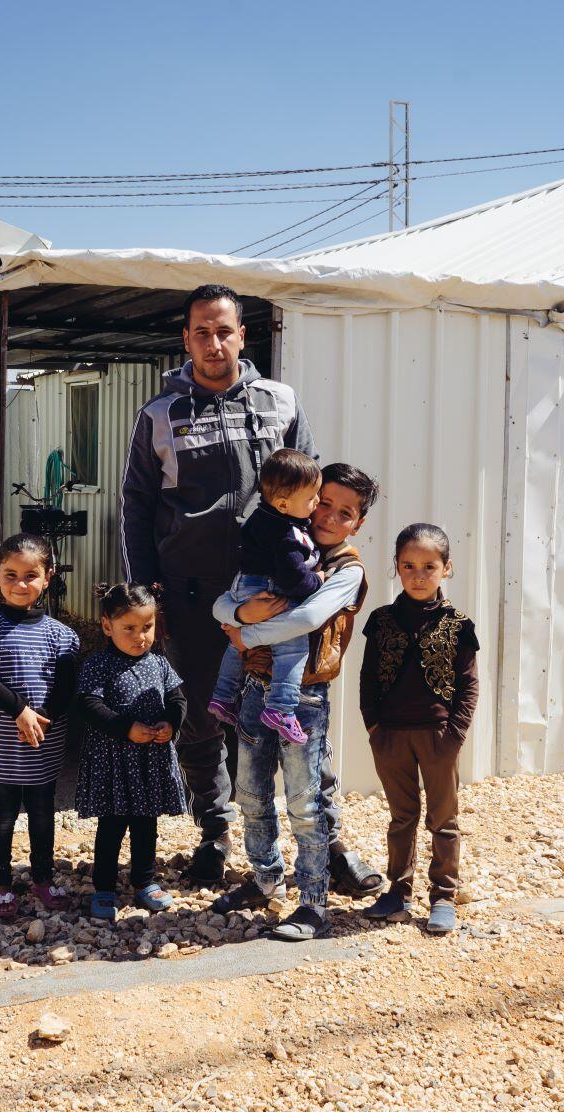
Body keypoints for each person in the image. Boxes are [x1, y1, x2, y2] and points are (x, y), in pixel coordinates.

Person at [118, 283, 311, 886]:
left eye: (223, 329)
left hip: (269, 593)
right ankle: (215, 830)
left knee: (277, 713)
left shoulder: (281, 403)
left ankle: (294, 836)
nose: (213, 341)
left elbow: (307, 490)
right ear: (186, 339)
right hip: (194, 594)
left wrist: (319, 574)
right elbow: (136, 507)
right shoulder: (158, 416)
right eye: (201, 331)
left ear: (243, 335)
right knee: (202, 717)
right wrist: (146, 594)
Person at [207, 463, 382, 941]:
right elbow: (223, 600)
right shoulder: (280, 540)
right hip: (254, 687)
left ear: (358, 523)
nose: (328, 515)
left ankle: (313, 903)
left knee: (305, 804)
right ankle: (266, 880)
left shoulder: (347, 569)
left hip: (302, 698)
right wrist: (238, 613)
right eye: (323, 502)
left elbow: (307, 617)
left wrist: (245, 633)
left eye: (344, 512)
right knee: (251, 794)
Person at [358, 523, 480, 936]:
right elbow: (368, 679)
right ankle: (398, 890)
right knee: (401, 817)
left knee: (443, 819)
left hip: (438, 735)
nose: (418, 574)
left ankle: (444, 895)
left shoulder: (458, 624)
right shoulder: (381, 620)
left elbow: (468, 683)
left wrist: (455, 735)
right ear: (396, 567)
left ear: (447, 569)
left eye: (429, 566)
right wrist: (374, 728)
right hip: (391, 735)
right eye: (408, 565)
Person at [0, 533, 80, 921]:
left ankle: (42, 877)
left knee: (43, 811)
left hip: (44, 739)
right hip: (5, 740)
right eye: (10, 574)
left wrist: (39, 717)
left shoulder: (61, 636)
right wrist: (20, 711)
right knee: (4, 812)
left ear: (47, 578)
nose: (20, 584)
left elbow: (65, 688)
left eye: (30, 575)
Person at [72, 583, 187, 922]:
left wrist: (171, 723)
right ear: (107, 626)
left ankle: (145, 882)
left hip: (149, 762)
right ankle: (104, 887)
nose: (140, 636)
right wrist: (125, 728)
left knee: (146, 825)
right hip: (113, 763)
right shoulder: (99, 664)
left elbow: (178, 699)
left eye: (147, 627)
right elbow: (88, 705)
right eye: (129, 628)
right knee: (111, 827)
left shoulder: (160, 663)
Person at [207, 448, 325, 744]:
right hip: (268, 588)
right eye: (312, 498)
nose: (318, 503)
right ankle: (281, 708)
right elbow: (294, 578)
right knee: (293, 648)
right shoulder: (285, 534)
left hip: (244, 584)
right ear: (284, 504)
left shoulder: (265, 517)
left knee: (238, 643)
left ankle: (222, 696)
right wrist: (318, 579)